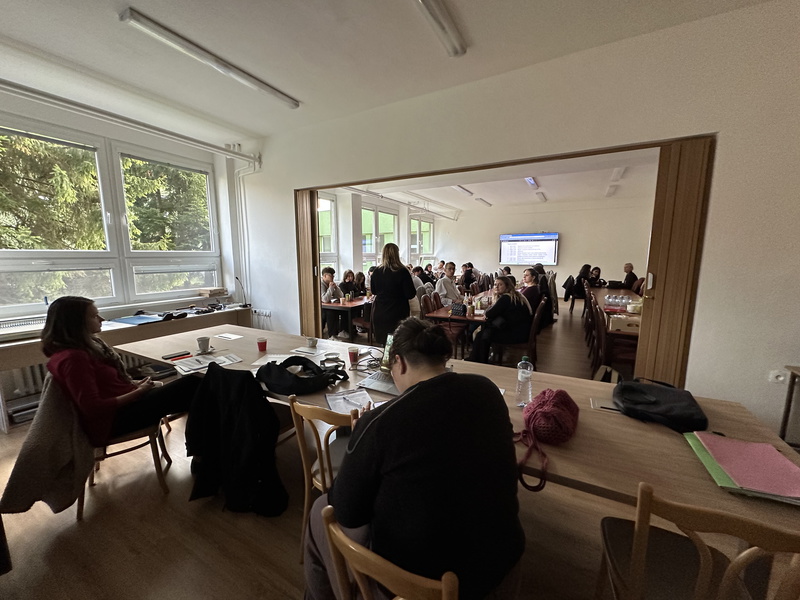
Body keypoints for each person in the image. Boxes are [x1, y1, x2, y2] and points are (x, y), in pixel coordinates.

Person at [304, 318, 524, 600]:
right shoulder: (487, 390)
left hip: (423, 587)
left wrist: (359, 436)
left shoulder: (381, 422)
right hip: (502, 565)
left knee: (320, 509)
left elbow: (346, 511)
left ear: (399, 362)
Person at [41, 296, 199, 447]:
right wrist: (139, 391)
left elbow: (105, 387)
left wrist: (135, 386)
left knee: (198, 391)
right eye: (94, 316)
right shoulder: (74, 358)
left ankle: (200, 450)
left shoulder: (80, 349)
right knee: (194, 385)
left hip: (123, 409)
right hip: (113, 422)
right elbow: (93, 408)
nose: (101, 319)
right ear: (76, 323)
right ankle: (200, 450)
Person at [467, 276, 533, 363]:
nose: (497, 287)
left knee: (483, 334)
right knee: (484, 333)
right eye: (495, 284)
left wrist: (488, 313)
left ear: (507, 286)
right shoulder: (515, 295)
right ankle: (478, 359)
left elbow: (489, 313)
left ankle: (479, 360)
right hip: (522, 332)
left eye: (500, 284)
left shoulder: (506, 298)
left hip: (515, 335)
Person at [369, 243, 416, 345]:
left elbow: (374, 291)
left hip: (380, 311)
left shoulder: (376, 271)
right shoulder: (403, 271)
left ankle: (386, 355)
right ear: (397, 254)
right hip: (397, 312)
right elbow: (410, 294)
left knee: (385, 343)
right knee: (397, 343)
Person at [320, 267, 346, 339]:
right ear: (325, 276)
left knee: (344, 312)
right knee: (331, 313)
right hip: (320, 308)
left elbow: (341, 296)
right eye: (331, 275)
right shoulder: (320, 284)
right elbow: (324, 299)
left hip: (329, 306)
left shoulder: (331, 283)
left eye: (333, 275)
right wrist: (331, 288)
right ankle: (332, 336)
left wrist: (336, 288)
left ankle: (343, 331)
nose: (333, 277)